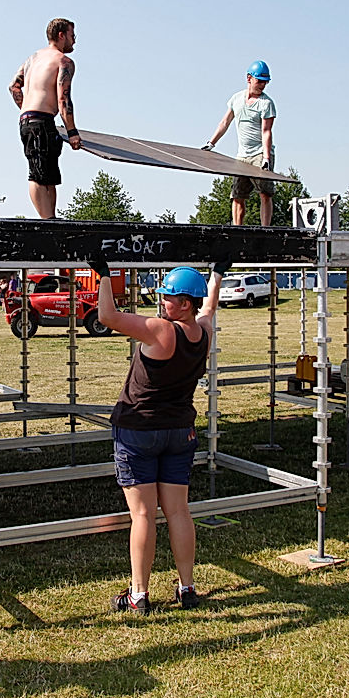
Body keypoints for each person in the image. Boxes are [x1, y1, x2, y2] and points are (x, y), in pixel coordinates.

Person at [92, 256, 227, 614]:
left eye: (168, 297)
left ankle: (139, 596)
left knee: (142, 516)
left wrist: (103, 275)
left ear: (184, 303)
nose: (161, 301)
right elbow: (210, 307)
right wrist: (217, 274)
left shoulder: (161, 330)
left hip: (139, 433)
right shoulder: (203, 333)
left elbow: (107, 317)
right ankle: (187, 588)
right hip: (179, 432)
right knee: (179, 513)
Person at [9, 18, 81, 219]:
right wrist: (72, 131)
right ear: (61, 35)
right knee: (38, 173)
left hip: (33, 119)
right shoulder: (63, 62)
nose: (74, 41)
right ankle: (46, 220)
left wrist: (25, 108)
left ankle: (51, 218)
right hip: (39, 120)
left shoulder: (33, 58)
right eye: (72, 36)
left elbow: (13, 86)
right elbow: (63, 98)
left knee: (49, 174)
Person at [202, 60, 278, 226]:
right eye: (260, 81)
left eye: (266, 82)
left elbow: (266, 131)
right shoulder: (236, 99)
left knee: (265, 193)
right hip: (242, 156)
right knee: (237, 195)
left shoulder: (266, 104)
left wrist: (266, 158)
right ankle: (237, 229)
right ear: (249, 78)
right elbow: (225, 122)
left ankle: (265, 229)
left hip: (260, 154)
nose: (263, 85)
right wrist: (211, 143)